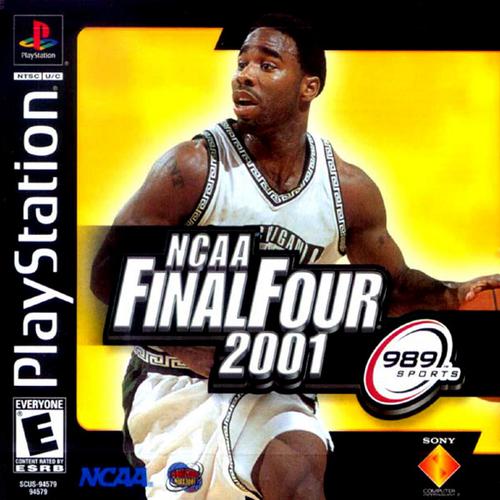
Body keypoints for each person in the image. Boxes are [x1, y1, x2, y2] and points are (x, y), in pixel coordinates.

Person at [91, 14, 500, 500]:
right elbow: (106, 276)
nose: (245, 75)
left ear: (310, 86)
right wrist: (188, 348)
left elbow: (392, 288)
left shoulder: (348, 191)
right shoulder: (192, 168)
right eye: (242, 63)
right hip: (172, 383)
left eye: (267, 65)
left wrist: (456, 294)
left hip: (272, 385)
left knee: (301, 479)